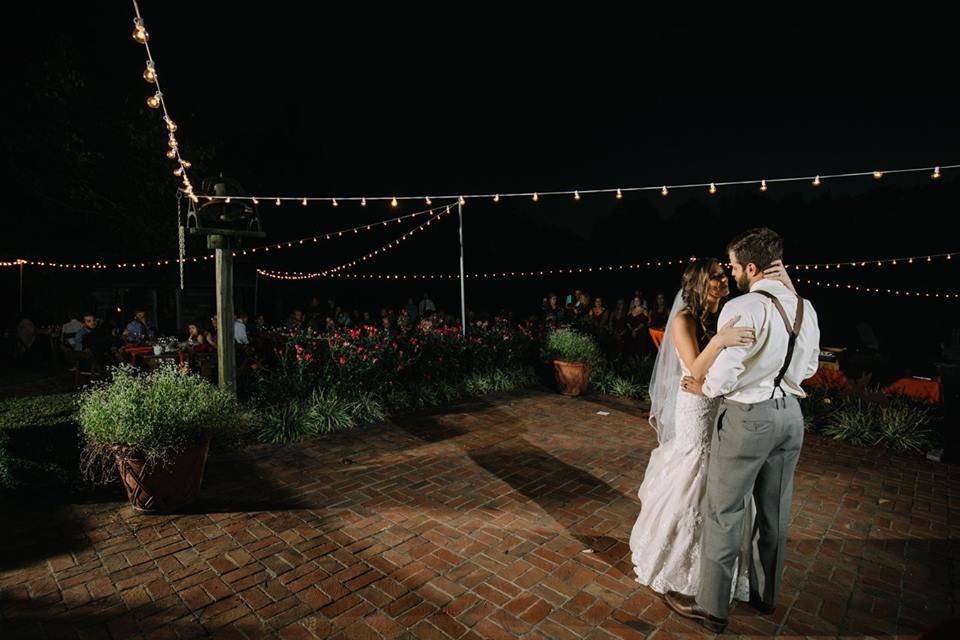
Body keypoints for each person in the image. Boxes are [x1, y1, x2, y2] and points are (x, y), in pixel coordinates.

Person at [662, 229, 821, 633]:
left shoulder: (743, 306)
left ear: (751, 267)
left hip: (748, 419)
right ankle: (766, 598)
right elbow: (810, 369)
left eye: (732, 266)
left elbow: (722, 377)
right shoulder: (805, 307)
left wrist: (704, 385)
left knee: (724, 511)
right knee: (775, 513)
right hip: (791, 417)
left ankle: (712, 608)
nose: (730, 274)